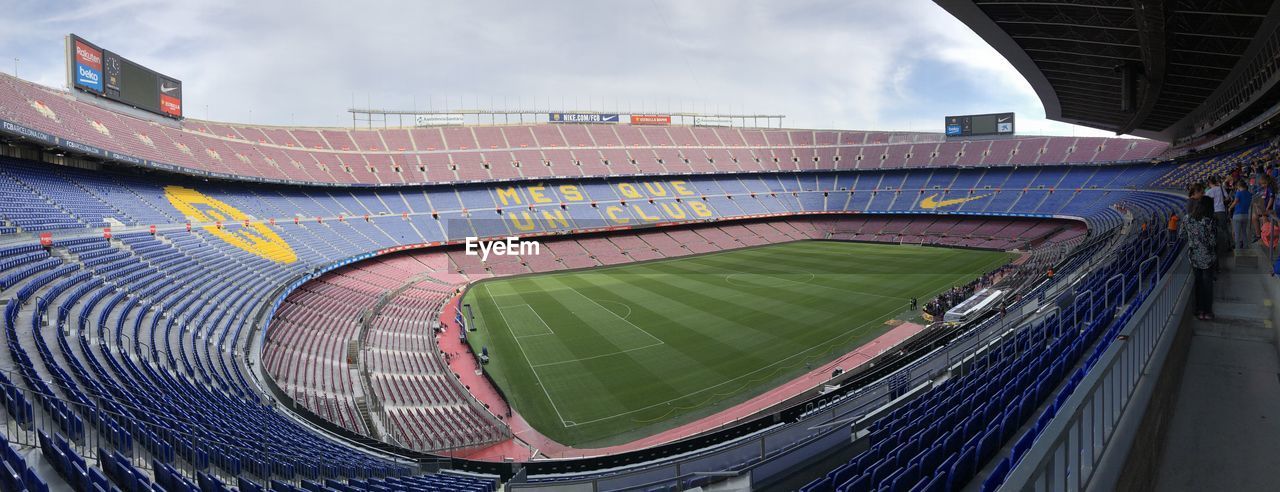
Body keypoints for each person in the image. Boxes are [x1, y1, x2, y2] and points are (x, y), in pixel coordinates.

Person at [1180, 197, 1216, 320]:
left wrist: (1192, 240)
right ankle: (1208, 312)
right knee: (1207, 285)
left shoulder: (1186, 219)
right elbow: (1212, 241)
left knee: (1198, 284)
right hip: (1207, 257)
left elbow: (1182, 235)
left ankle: (1198, 311)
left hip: (1194, 257)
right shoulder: (1208, 221)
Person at [1229, 180, 1253, 250]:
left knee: (1237, 233)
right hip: (1246, 215)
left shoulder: (1238, 193)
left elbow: (1236, 201)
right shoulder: (1249, 193)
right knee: (1244, 232)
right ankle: (1245, 246)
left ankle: (1237, 248)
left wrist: (1230, 208)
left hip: (1237, 215)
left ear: (1238, 186)